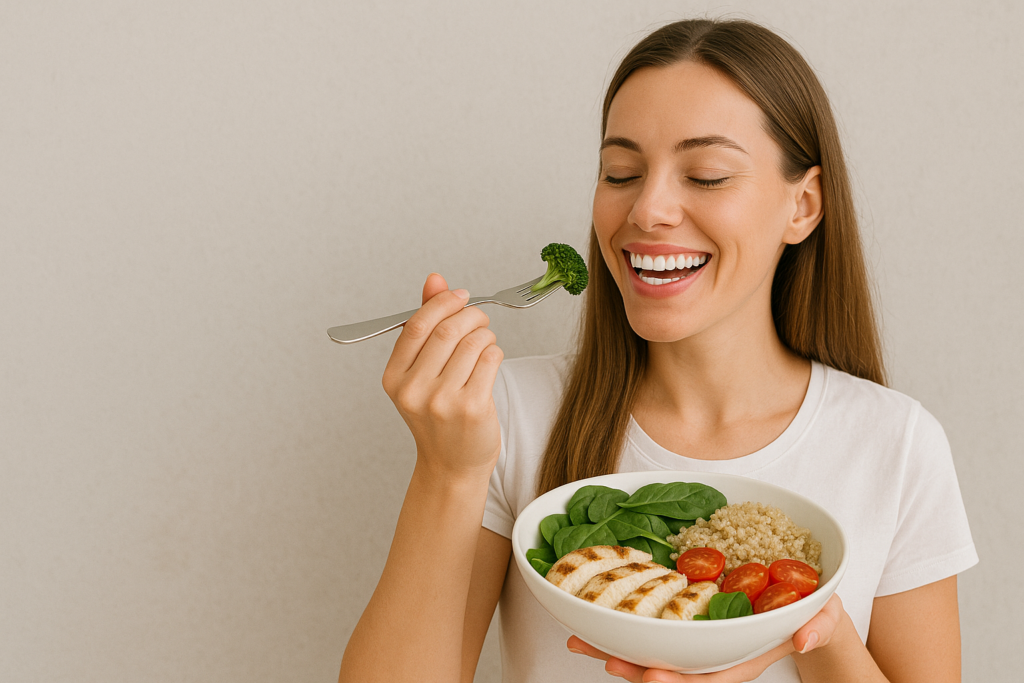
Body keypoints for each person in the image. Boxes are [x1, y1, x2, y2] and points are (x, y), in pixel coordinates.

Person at [338, 18, 977, 683]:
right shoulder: (510, 415)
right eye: (621, 172)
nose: (648, 209)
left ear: (803, 204)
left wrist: (818, 631)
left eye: (705, 175)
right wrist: (447, 471)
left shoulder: (896, 444)